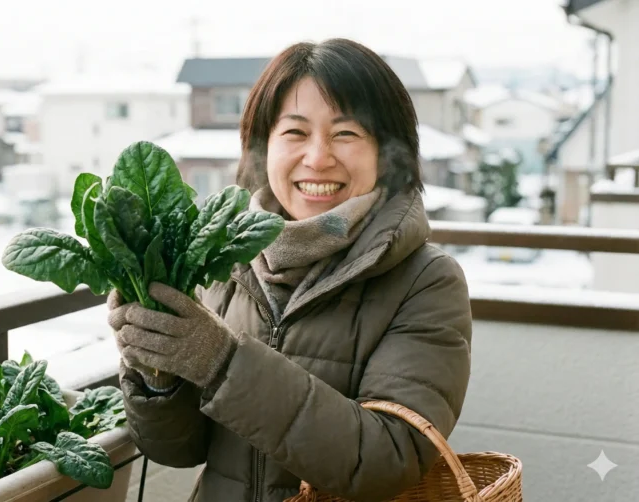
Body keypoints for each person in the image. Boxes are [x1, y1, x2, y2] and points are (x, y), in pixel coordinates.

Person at [106, 38, 473, 502]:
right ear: (262, 148)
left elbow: (388, 459)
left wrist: (222, 361)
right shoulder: (222, 260)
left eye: (346, 134)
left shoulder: (428, 281)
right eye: (295, 133)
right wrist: (156, 372)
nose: (318, 158)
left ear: (387, 153)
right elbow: (181, 449)